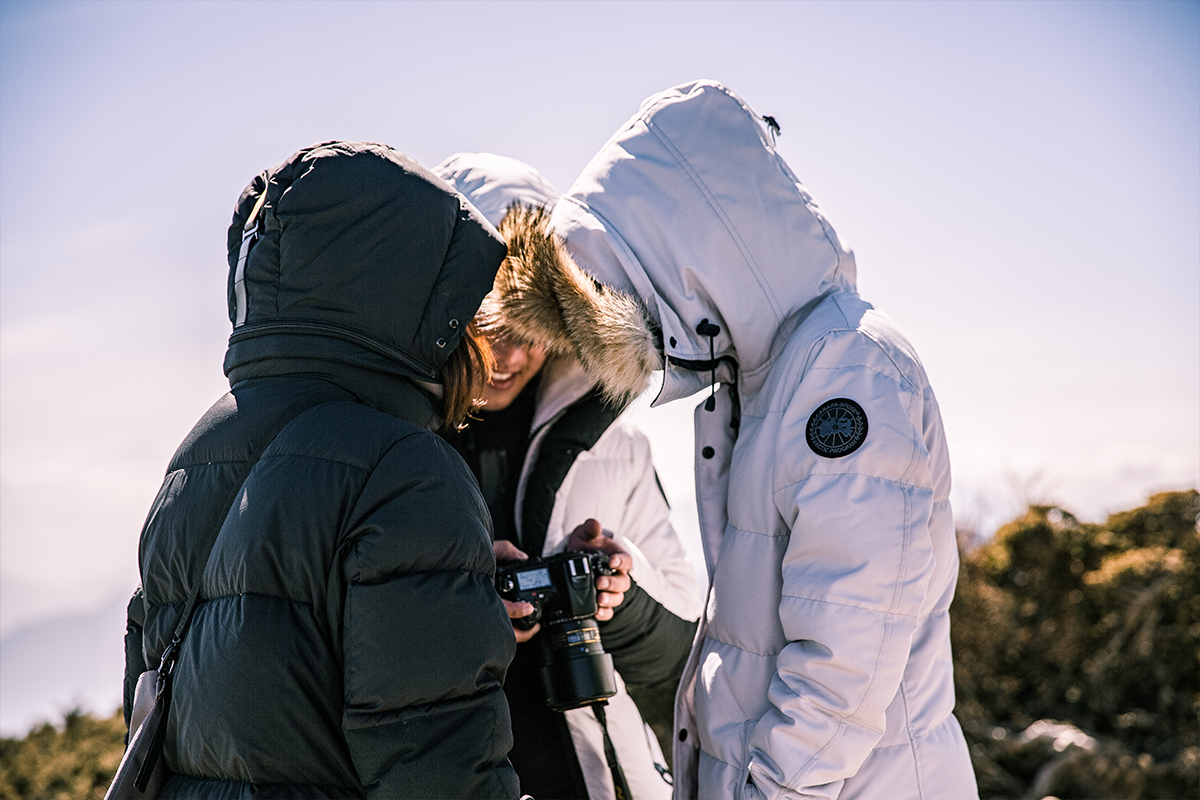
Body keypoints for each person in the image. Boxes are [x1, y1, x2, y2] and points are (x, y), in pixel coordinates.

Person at [489, 81, 979, 798]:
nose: (640, 327)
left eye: (632, 289)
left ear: (685, 259)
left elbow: (842, 673)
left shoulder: (850, 374)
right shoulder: (768, 381)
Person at [122, 141, 520, 799]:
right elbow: (440, 771)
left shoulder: (194, 459)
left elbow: (151, 729)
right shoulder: (407, 472)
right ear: (410, 297)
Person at [435, 153, 704, 800]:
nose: (511, 356)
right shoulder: (388, 445)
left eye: (534, 330)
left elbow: (685, 660)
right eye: (491, 325)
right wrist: (461, 608)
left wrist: (617, 596)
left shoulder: (616, 442)